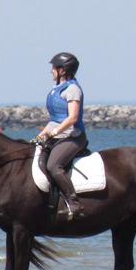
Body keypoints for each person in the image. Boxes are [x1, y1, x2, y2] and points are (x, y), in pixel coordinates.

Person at [35, 51, 88, 220]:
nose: (51, 71)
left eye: (54, 68)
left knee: (54, 166)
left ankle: (74, 204)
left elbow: (72, 118)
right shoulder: (56, 89)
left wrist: (56, 131)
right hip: (58, 136)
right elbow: (54, 119)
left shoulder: (72, 90)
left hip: (73, 137)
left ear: (62, 70)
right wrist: (41, 136)